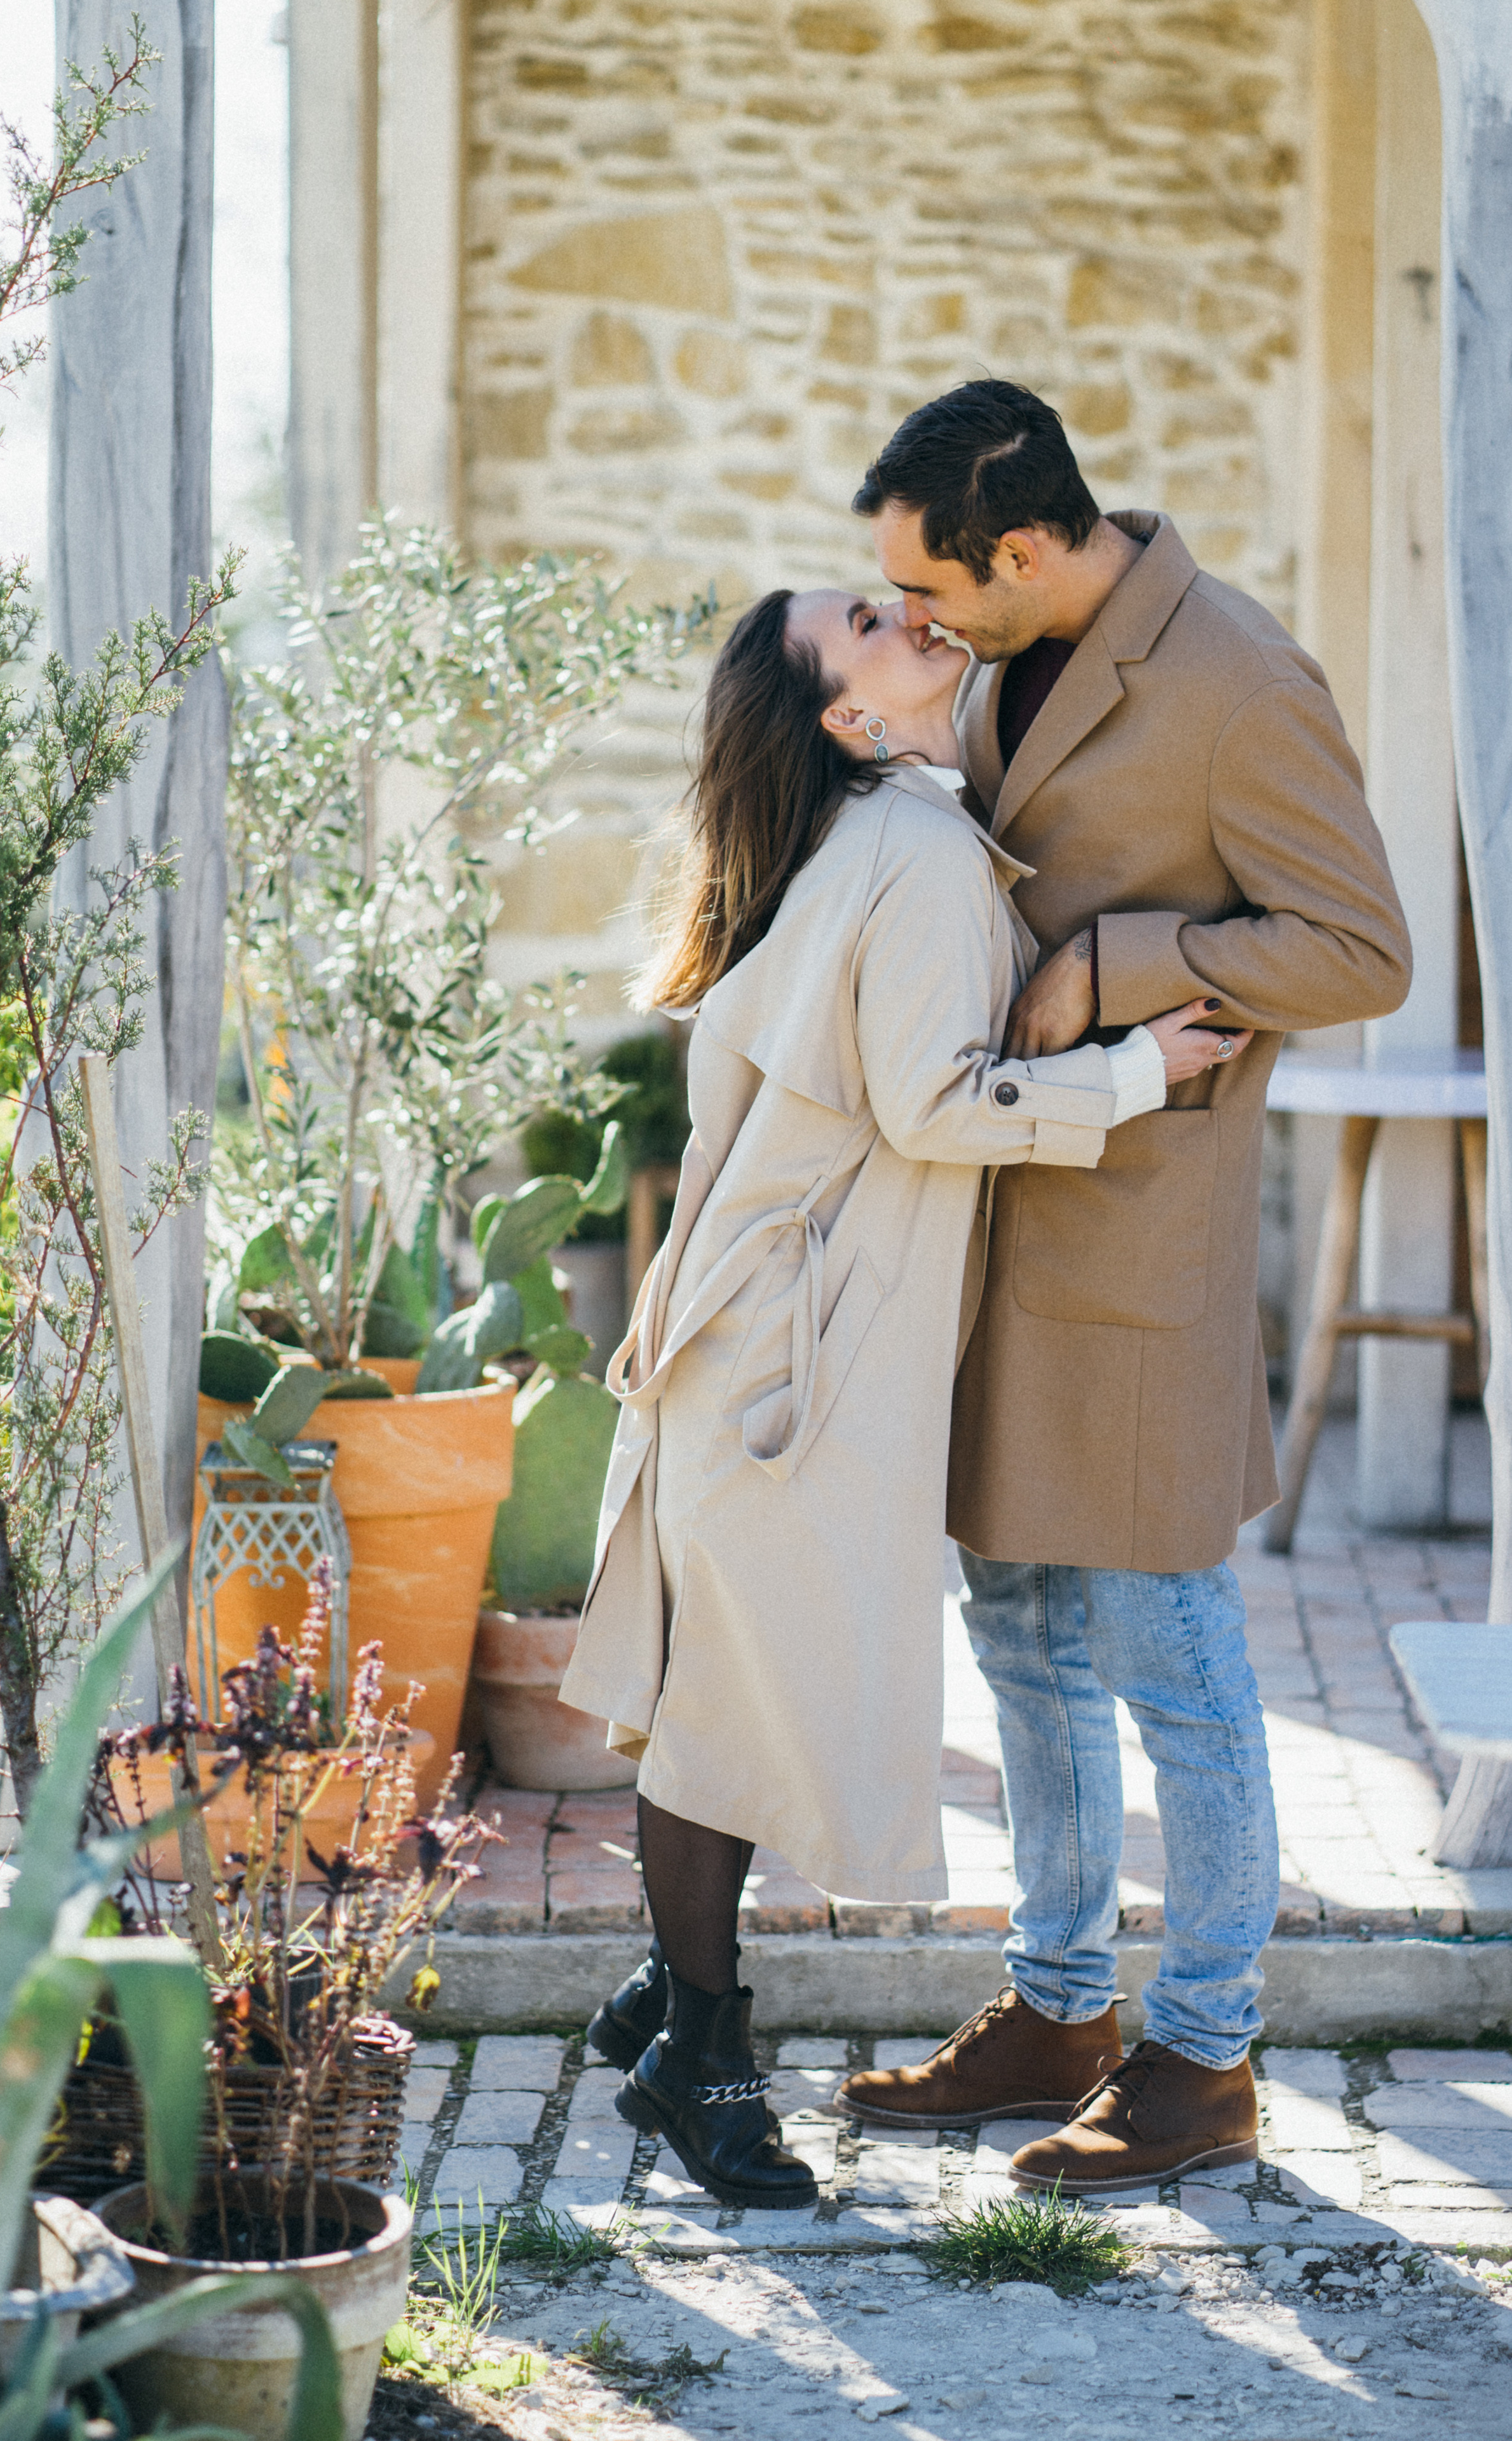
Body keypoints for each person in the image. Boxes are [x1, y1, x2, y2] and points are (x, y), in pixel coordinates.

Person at [559, 583, 1243, 2208]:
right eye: (862, 621)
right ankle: (702, 2054)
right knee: (723, 1710)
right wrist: (1140, 1070)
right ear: (849, 720)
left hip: (763, 1330)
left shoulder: (879, 836)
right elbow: (935, 1104)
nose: (905, 609)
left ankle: (678, 1996)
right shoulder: (921, 853)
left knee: (716, 1687)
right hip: (789, 1348)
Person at [834, 379, 1412, 2194]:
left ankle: (1206, 2054)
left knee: (1172, 1657)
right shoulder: (1003, 659)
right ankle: (1059, 2004)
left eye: (938, 591)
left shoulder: (1242, 681)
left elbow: (1361, 947)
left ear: (1021, 546)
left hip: (1144, 1244)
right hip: (993, 1221)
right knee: (1015, 1641)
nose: (922, 627)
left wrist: (1120, 962)